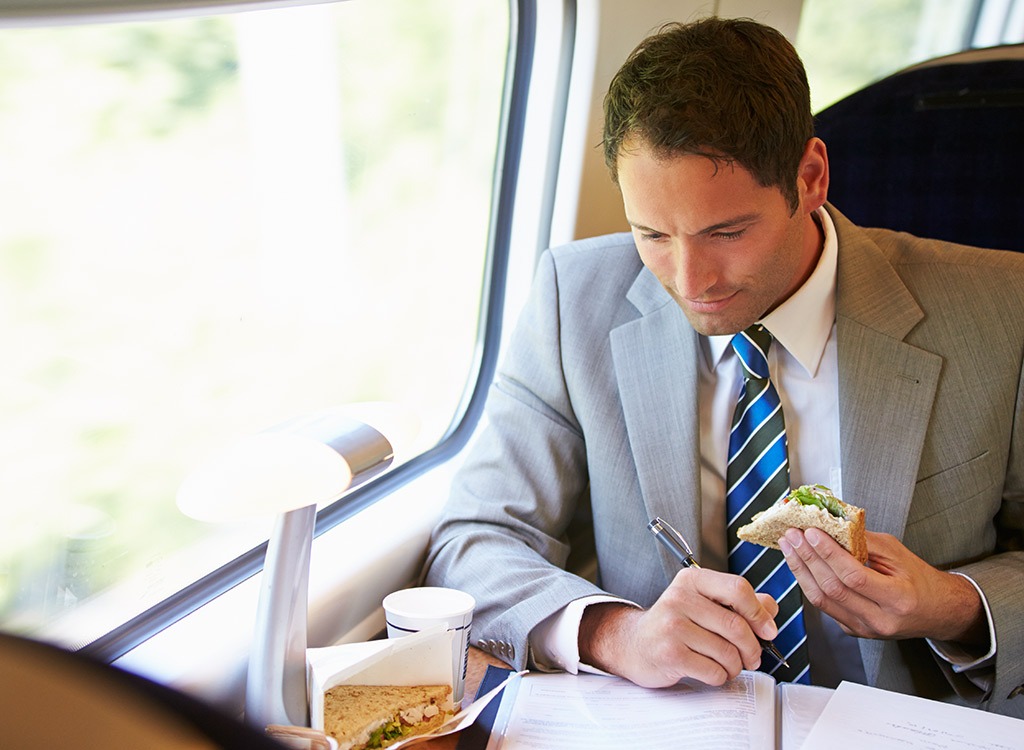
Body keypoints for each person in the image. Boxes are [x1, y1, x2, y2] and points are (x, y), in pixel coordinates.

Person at [422, 16, 1024, 716]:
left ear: (810, 178)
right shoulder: (572, 299)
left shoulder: (1002, 309)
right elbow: (474, 540)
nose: (690, 279)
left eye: (726, 233)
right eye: (653, 234)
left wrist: (953, 605)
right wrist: (619, 634)